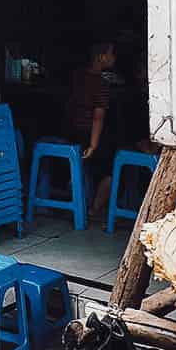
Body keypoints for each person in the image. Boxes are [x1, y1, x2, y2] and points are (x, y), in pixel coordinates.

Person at [69, 40, 116, 218]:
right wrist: (93, 146)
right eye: (111, 53)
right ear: (101, 57)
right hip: (86, 135)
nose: (114, 58)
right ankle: (94, 209)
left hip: (70, 131)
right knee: (112, 167)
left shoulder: (77, 76)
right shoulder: (101, 84)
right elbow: (98, 117)